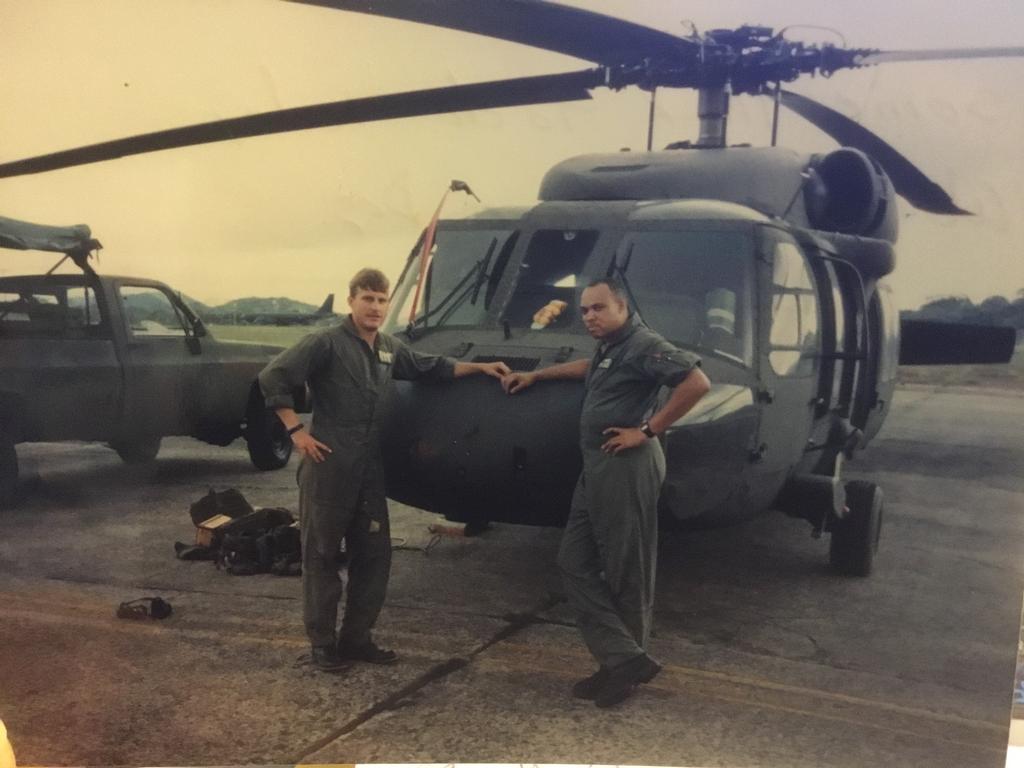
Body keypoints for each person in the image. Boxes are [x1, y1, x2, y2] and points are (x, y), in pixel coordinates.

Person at [259, 267, 510, 672]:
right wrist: (295, 432)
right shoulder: (325, 343)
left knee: (374, 556)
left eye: (381, 300)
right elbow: (273, 376)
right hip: (330, 464)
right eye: (367, 299)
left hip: (369, 470)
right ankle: (322, 644)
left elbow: (431, 367)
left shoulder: (388, 348)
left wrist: (479, 368)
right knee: (321, 556)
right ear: (351, 301)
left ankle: (357, 639)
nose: (375, 307)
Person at [503, 278, 710, 707]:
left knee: (624, 572)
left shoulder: (643, 342)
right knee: (573, 561)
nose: (590, 317)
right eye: (584, 310)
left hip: (626, 466)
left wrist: (647, 430)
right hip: (598, 465)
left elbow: (696, 382)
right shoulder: (611, 346)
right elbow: (587, 368)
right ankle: (622, 658)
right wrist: (537, 375)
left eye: (598, 308)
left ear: (622, 307)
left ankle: (621, 671)